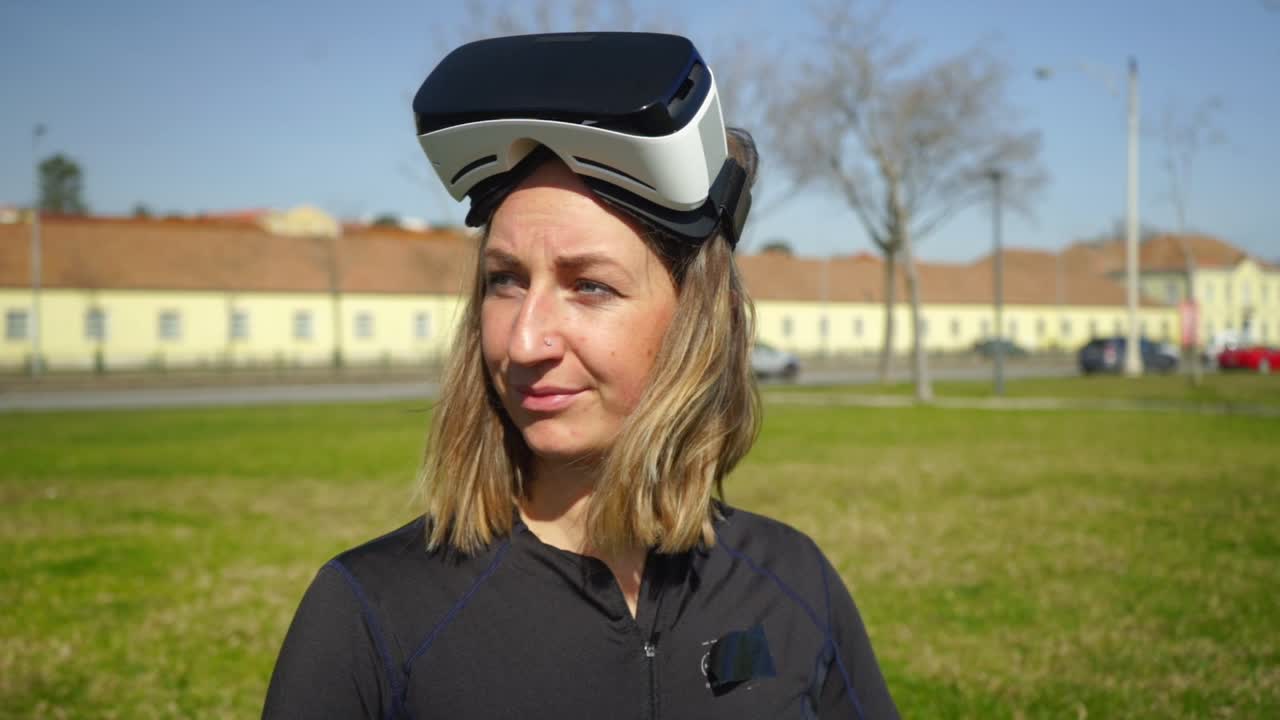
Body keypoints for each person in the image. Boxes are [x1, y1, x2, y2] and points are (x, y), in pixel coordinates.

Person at [263, 32, 898, 719]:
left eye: (589, 286)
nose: (525, 339)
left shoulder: (790, 579)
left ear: (699, 321)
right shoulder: (372, 612)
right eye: (504, 281)